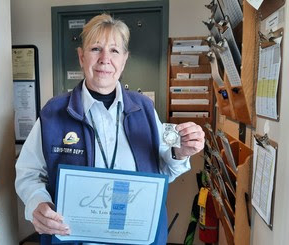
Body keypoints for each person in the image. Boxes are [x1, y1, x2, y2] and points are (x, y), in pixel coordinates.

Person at [15, 13, 205, 245]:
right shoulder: (54, 112)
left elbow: (162, 173)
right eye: (96, 48)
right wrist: (37, 204)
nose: (105, 58)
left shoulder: (144, 109)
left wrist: (180, 153)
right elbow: (29, 173)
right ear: (81, 56)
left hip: (136, 238)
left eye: (114, 51)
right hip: (73, 239)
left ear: (124, 59)